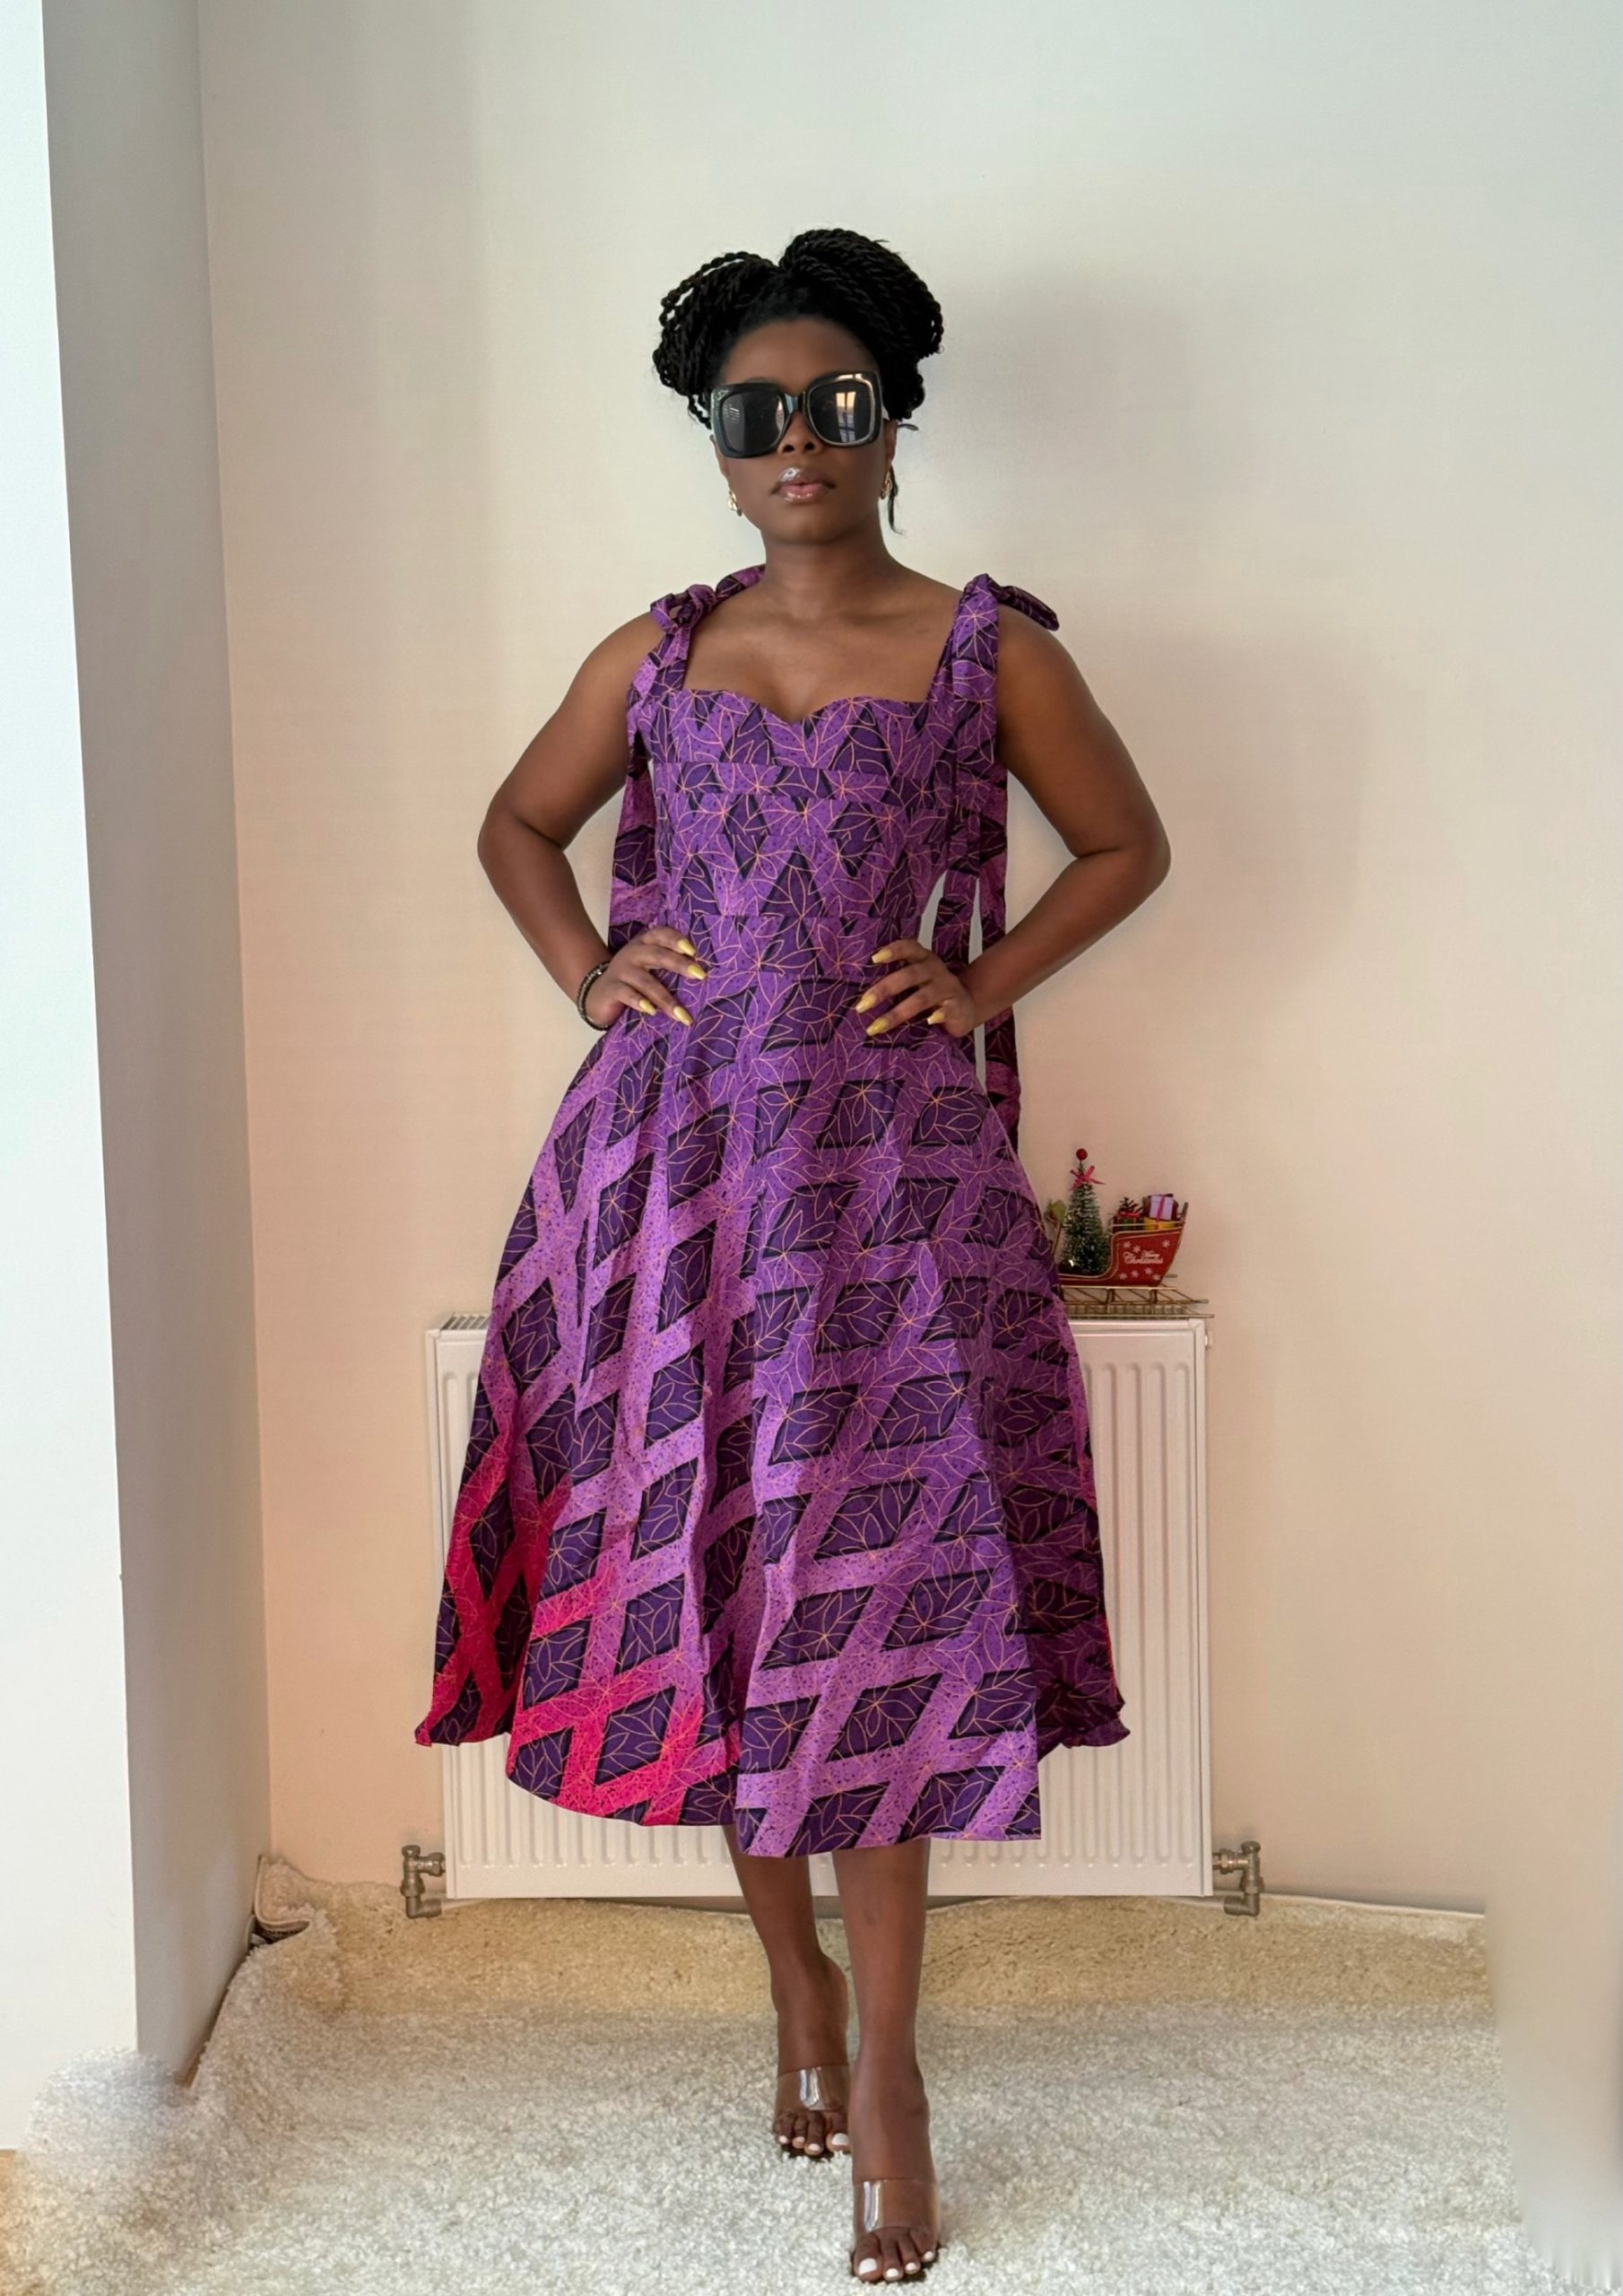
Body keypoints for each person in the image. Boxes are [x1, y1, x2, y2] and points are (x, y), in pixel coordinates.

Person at [414, 226, 1170, 2283]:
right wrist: (589, 968)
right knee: (725, 1599)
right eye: (752, 412)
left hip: (891, 1189)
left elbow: (1126, 843)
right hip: (672, 1177)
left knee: (881, 1610)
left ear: (892, 421)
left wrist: (979, 977)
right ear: (717, 442)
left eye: (833, 402)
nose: (795, 441)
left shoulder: (988, 648)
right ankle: (797, 1993)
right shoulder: (656, 652)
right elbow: (513, 823)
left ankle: (894, 2070)